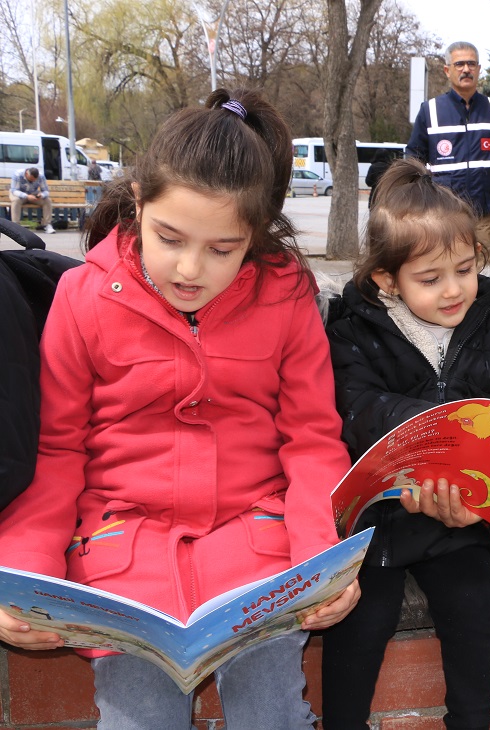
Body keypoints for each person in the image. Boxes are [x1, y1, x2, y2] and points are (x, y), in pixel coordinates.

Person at [0, 89, 360, 728]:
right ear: (137, 204)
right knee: (137, 717)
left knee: (273, 713)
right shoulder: (83, 297)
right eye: (169, 238)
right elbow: (56, 450)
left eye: (223, 249)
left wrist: (320, 563)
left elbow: (311, 438)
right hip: (122, 560)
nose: (191, 269)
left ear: (254, 237)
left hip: (259, 554)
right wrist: (25, 580)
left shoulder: (286, 296)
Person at [322, 158, 490, 730]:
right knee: (362, 619)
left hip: (461, 525)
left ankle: (470, 721)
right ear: (387, 279)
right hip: (380, 527)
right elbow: (356, 407)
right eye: (430, 278)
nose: (455, 289)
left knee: (474, 608)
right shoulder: (354, 334)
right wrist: (445, 425)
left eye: (465, 269)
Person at [406, 42, 490, 267]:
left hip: (485, 214)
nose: (466, 69)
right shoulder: (431, 110)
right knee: (445, 271)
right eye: (459, 64)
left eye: (471, 63)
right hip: (443, 216)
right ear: (448, 70)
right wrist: (424, 203)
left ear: (478, 68)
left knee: (483, 278)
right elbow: (413, 159)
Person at [9, 167, 54, 233]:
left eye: (34, 180)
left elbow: (46, 191)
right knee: (16, 201)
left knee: (47, 201)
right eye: (31, 179)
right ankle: (16, 226)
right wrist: (26, 196)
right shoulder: (17, 175)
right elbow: (14, 190)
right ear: (27, 174)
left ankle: (47, 224)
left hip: (33, 194)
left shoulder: (41, 176)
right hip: (19, 194)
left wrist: (41, 195)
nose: (33, 181)